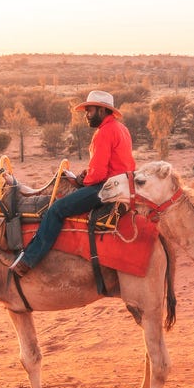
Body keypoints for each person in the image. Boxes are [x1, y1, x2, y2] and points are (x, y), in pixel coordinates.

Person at [10, 89, 136, 273]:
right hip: (123, 183)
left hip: (107, 187)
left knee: (56, 209)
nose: (87, 115)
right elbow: (111, 163)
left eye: (90, 110)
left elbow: (99, 174)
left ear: (102, 111)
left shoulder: (104, 132)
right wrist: (88, 173)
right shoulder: (121, 128)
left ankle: (28, 261)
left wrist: (81, 181)